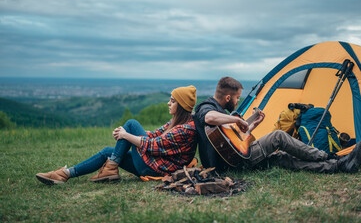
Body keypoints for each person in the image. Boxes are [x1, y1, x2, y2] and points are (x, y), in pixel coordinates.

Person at [194, 76, 361, 174]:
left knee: (280, 157)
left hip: (236, 158)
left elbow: (234, 142)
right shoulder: (206, 107)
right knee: (278, 136)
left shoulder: (222, 113)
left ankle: (337, 166)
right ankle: (330, 156)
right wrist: (237, 120)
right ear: (228, 98)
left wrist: (253, 126)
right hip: (229, 165)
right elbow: (208, 118)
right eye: (237, 98)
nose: (238, 102)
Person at [36, 85, 198, 185]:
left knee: (132, 123)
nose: (168, 103)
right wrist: (126, 135)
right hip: (151, 165)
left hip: (154, 168)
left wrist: (127, 135)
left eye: (173, 101)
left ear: (182, 105)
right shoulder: (174, 123)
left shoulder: (186, 129)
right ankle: (65, 174)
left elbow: (152, 145)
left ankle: (111, 168)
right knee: (108, 151)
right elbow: (152, 134)